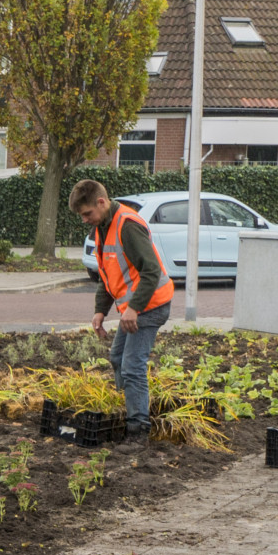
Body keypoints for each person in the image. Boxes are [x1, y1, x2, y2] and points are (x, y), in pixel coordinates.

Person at [74, 178, 173, 440]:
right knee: (118, 358)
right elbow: (108, 276)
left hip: (151, 306)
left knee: (132, 366)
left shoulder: (127, 226)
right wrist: (100, 311)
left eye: (87, 213)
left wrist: (135, 309)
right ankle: (128, 408)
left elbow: (151, 270)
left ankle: (138, 430)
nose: (85, 220)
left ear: (102, 202)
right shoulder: (101, 229)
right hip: (136, 307)